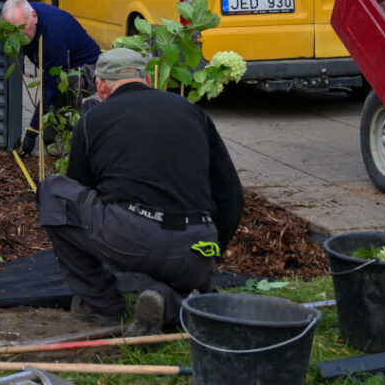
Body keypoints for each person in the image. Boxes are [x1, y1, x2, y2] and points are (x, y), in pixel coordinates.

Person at [37, 47, 244, 332]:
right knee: (188, 282)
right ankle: (165, 300)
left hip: (131, 240)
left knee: (53, 192)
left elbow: (81, 191)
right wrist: (211, 255)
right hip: (197, 244)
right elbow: (232, 195)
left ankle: (102, 303)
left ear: (100, 85)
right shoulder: (192, 111)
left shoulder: (93, 120)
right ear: (148, 79)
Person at [0, 0, 101, 152]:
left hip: (91, 70)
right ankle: (52, 141)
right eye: (14, 31)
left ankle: (70, 140)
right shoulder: (25, 17)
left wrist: (32, 131)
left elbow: (50, 86)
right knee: (54, 98)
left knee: (64, 84)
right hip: (62, 68)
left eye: (23, 27)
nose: (20, 34)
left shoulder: (53, 36)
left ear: (34, 16)